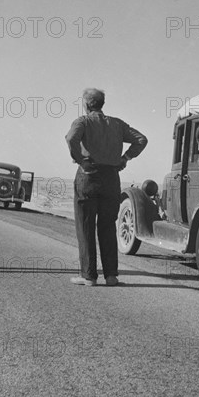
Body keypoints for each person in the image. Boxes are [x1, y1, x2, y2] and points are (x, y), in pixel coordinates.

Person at [65, 88, 147, 286]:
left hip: (88, 176)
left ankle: (89, 276)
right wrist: (125, 157)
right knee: (108, 226)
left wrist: (81, 160)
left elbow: (70, 139)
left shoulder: (83, 122)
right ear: (102, 104)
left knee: (85, 227)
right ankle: (111, 276)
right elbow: (141, 139)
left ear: (85, 104)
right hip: (111, 177)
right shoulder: (117, 124)